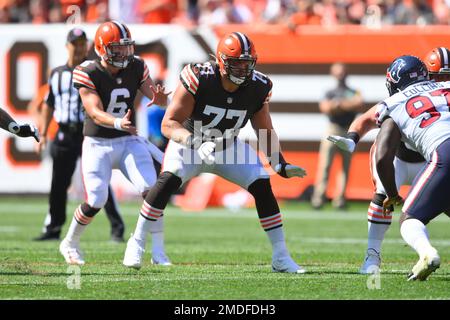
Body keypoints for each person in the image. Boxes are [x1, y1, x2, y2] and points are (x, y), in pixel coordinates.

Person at [123, 32, 307, 273]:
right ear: (221, 62)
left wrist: (279, 164)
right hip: (189, 143)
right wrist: (196, 142)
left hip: (227, 146)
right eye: (237, 63)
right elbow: (169, 124)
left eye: (247, 63)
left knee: (262, 185)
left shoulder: (258, 87)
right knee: (168, 181)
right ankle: (136, 242)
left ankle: (281, 256)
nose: (243, 69)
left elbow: (265, 130)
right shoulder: (200, 78)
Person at [328, 47, 450, 274]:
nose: (443, 81)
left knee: (420, 213)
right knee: (382, 196)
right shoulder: (402, 101)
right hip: (401, 159)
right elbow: (366, 123)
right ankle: (372, 257)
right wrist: (352, 139)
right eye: (439, 76)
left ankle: (423, 252)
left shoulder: (397, 101)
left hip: (433, 157)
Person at [58, 21, 170, 266]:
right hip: (98, 142)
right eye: (117, 49)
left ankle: (158, 251)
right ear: (101, 48)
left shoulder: (137, 66)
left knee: (153, 192)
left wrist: (160, 99)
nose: (124, 53)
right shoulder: (87, 71)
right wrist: (118, 123)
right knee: (96, 200)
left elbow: (154, 94)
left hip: (128, 140)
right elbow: (95, 111)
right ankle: (69, 242)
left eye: (126, 47)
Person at [33, 28, 126, 242]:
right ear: (68, 46)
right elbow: (49, 103)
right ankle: (53, 228)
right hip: (65, 133)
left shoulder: (93, 70)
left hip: (89, 133)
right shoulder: (57, 74)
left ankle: (117, 228)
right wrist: (45, 133)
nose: (80, 47)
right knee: (58, 183)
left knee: (99, 182)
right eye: (76, 43)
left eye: (83, 43)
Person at [311, 62, 364, 209]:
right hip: (332, 130)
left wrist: (338, 105)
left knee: (345, 167)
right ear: (333, 74)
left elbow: (359, 104)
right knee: (325, 165)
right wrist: (346, 105)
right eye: (338, 72)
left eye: (342, 72)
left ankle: (340, 199)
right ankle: (318, 199)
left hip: (349, 131)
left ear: (347, 73)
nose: (340, 75)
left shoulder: (354, 91)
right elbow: (325, 107)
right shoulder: (329, 91)